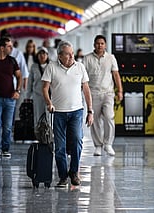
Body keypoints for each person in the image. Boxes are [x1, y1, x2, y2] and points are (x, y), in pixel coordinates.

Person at [41, 40, 93, 187]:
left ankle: (74, 172)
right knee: (60, 146)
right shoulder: (51, 67)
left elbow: (86, 89)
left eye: (72, 53)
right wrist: (49, 102)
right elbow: (44, 88)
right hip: (58, 112)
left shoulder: (80, 67)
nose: (71, 57)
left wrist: (90, 110)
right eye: (68, 54)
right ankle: (63, 176)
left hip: (76, 111)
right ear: (59, 56)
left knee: (77, 140)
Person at [83, 35, 123, 156]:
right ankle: (98, 145)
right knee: (95, 120)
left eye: (102, 43)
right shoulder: (87, 58)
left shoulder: (111, 58)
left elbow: (116, 75)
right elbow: (82, 76)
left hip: (108, 93)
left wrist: (120, 90)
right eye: (97, 43)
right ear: (94, 45)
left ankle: (108, 144)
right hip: (93, 93)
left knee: (109, 116)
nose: (100, 45)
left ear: (105, 45)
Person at [0, 29, 29, 121]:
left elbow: (24, 72)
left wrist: (23, 90)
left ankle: (10, 129)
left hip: (13, 88)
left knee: (11, 112)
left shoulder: (17, 53)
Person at [27, 46, 49, 126]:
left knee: (49, 117)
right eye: (40, 54)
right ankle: (39, 135)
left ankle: (49, 135)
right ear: (37, 56)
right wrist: (27, 96)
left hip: (49, 96)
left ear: (47, 55)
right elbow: (30, 83)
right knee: (38, 116)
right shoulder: (34, 67)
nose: (42, 56)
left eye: (44, 53)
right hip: (37, 95)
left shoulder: (51, 66)